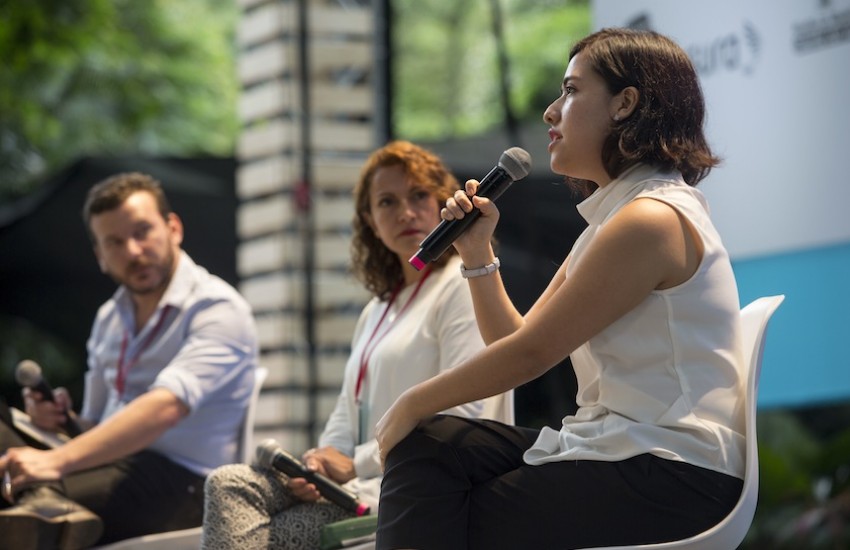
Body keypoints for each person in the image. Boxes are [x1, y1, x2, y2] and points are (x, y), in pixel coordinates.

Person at [375, 28, 746, 550]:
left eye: (571, 91)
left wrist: (410, 402)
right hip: (618, 452)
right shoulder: (616, 217)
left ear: (626, 104)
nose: (551, 112)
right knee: (434, 448)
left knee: (439, 503)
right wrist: (478, 255)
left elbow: (531, 354)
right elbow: (519, 341)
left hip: (673, 474)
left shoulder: (650, 218)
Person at [200, 140, 508, 549]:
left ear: (441, 202)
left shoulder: (462, 282)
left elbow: (462, 416)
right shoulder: (378, 308)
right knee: (230, 484)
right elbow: (348, 412)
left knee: (273, 536)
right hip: (357, 486)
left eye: (418, 195)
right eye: (387, 202)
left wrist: (353, 464)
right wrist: (319, 462)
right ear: (370, 219)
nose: (406, 212)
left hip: (407, 491)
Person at [0, 172, 258, 549]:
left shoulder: (217, 308)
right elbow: (95, 423)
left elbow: (166, 407)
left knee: (24, 487)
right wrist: (56, 423)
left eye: (143, 232)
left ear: (173, 228)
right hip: (110, 466)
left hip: (183, 484)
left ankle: (45, 501)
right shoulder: (110, 317)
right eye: (115, 242)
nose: (133, 251)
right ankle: (45, 502)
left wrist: (57, 461)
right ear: (100, 256)